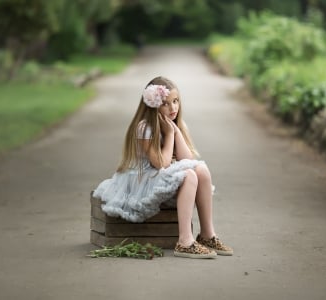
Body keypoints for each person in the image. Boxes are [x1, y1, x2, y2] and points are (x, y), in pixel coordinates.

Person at [93, 76, 233, 259]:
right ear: (153, 106)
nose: (173, 108)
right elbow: (161, 163)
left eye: (175, 102)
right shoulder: (144, 128)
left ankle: (207, 234)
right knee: (189, 175)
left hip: (159, 177)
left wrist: (175, 131)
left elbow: (187, 158)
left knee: (201, 171)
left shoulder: (174, 125)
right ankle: (185, 241)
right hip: (143, 181)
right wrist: (169, 135)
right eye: (166, 104)